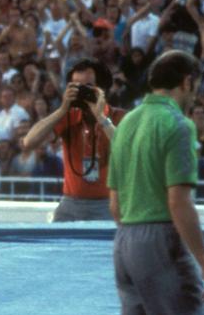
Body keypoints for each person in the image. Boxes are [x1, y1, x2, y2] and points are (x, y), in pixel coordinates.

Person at [107, 50, 204, 315]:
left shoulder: (126, 122)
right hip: (160, 241)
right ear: (188, 82)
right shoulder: (178, 125)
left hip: (125, 240)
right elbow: (179, 202)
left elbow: (114, 203)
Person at [22, 58, 126, 221]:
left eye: (88, 87)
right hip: (71, 203)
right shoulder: (68, 117)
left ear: (102, 89)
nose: (81, 92)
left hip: (108, 203)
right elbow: (29, 142)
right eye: (76, 86)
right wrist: (63, 109)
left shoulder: (118, 116)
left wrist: (100, 117)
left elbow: (126, 147)